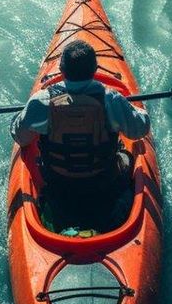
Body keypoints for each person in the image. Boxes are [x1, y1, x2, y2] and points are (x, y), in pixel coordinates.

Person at [12, 39, 148, 229]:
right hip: (103, 182)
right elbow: (140, 130)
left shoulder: (42, 102)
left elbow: (20, 137)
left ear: (62, 70)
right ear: (95, 70)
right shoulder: (111, 99)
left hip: (59, 184)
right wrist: (138, 111)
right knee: (126, 153)